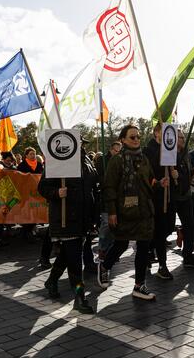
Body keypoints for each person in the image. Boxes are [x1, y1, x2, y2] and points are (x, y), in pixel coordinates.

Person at [98, 124, 165, 301]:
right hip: (124, 211)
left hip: (144, 210)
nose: (136, 140)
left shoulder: (144, 158)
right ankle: (105, 266)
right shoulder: (117, 160)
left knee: (143, 247)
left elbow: (149, 179)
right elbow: (109, 187)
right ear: (123, 140)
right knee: (121, 244)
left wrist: (159, 183)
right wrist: (111, 212)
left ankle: (139, 285)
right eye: (132, 137)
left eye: (138, 136)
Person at [38, 141, 99, 314]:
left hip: (83, 218)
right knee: (74, 260)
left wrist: (94, 214)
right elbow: (42, 187)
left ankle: (52, 280)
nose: (79, 143)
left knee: (68, 255)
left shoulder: (86, 160)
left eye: (81, 141)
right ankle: (79, 297)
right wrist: (56, 192)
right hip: (66, 218)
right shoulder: (58, 159)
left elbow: (92, 188)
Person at [143, 122, 175, 280]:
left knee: (166, 228)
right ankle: (162, 264)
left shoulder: (170, 148)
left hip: (167, 196)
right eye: (162, 132)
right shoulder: (147, 150)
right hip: (152, 197)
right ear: (156, 133)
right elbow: (146, 172)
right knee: (158, 231)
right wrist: (157, 182)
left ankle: (151, 250)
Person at [172, 128, 194, 269]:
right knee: (166, 228)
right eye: (180, 137)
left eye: (184, 138)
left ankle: (188, 256)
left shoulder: (185, 155)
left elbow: (186, 174)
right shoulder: (169, 155)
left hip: (186, 195)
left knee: (190, 226)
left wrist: (193, 171)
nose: (183, 140)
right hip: (173, 196)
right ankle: (150, 251)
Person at [95, 141, 121, 259]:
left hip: (117, 197)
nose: (117, 153)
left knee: (115, 226)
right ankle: (102, 248)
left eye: (119, 151)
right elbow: (98, 176)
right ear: (111, 150)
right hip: (106, 196)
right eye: (116, 151)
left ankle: (111, 249)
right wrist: (106, 178)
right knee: (106, 224)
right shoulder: (102, 160)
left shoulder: (120, 160)